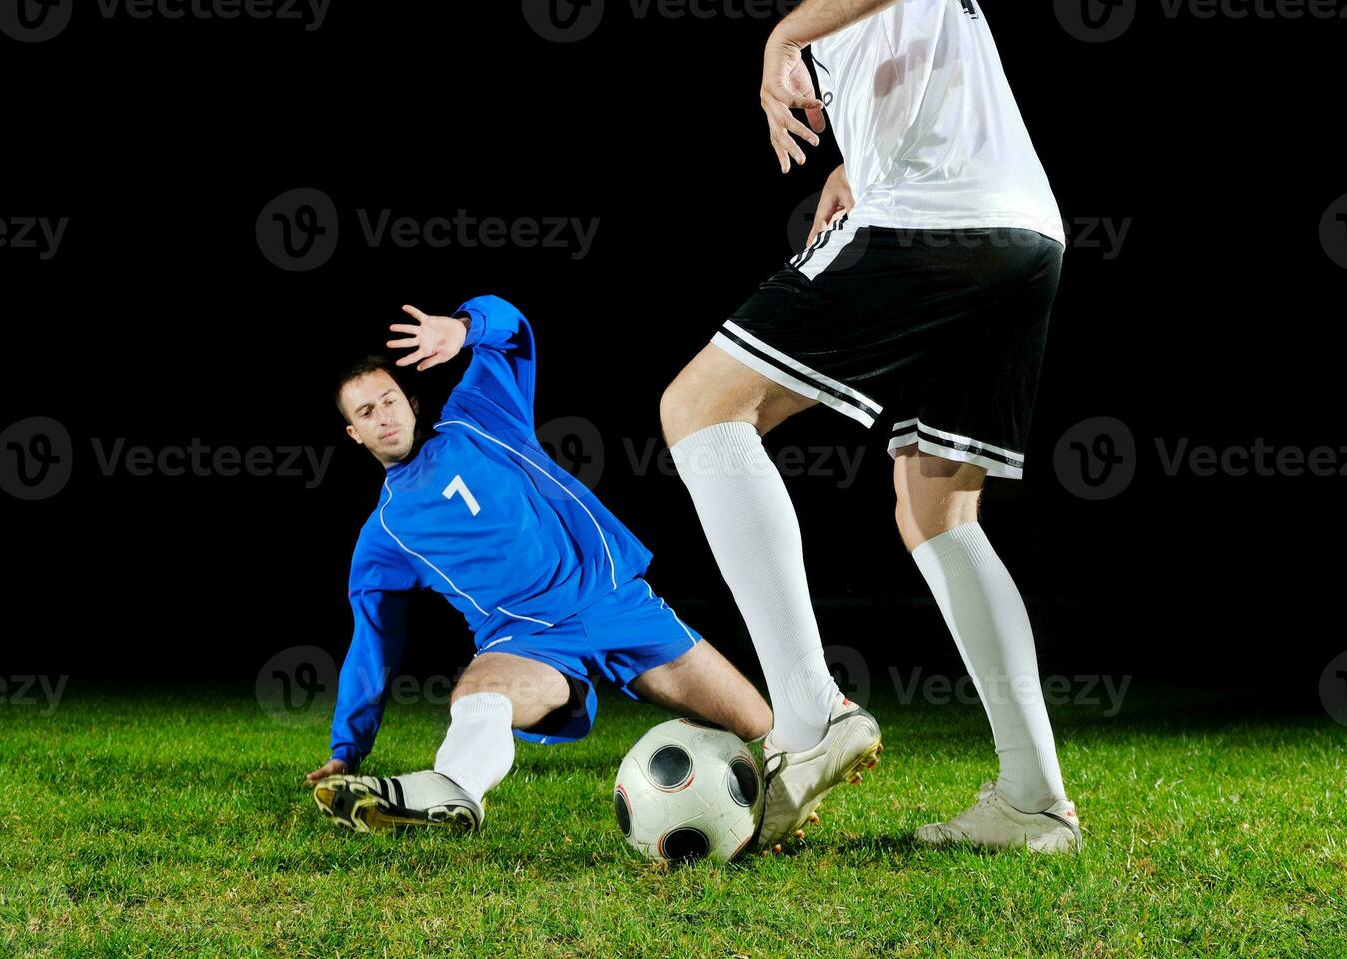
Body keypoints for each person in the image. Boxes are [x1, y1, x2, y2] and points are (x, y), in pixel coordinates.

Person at [658, 0, 1081, 853]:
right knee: (937, 513)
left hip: (937, 216)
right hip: (1022, 230)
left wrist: (783, 38)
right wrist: (858, 159)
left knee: (700, 407)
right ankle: (1033, 799)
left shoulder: (806, 20)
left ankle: (809, 712)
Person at [307, 295, 773, 843]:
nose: (382, 417)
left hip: (613, 600)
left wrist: (462, 329)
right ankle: (452, 788)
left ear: (409, 401)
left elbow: (516, 331)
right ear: (354, 435)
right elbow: (373, 644)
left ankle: (776, 813)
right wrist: (347, 749)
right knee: (477, 695)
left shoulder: (480, 415)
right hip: (528, 643)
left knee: (761, 727)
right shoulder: (382, 538)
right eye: (365, 414)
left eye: (388, 401)